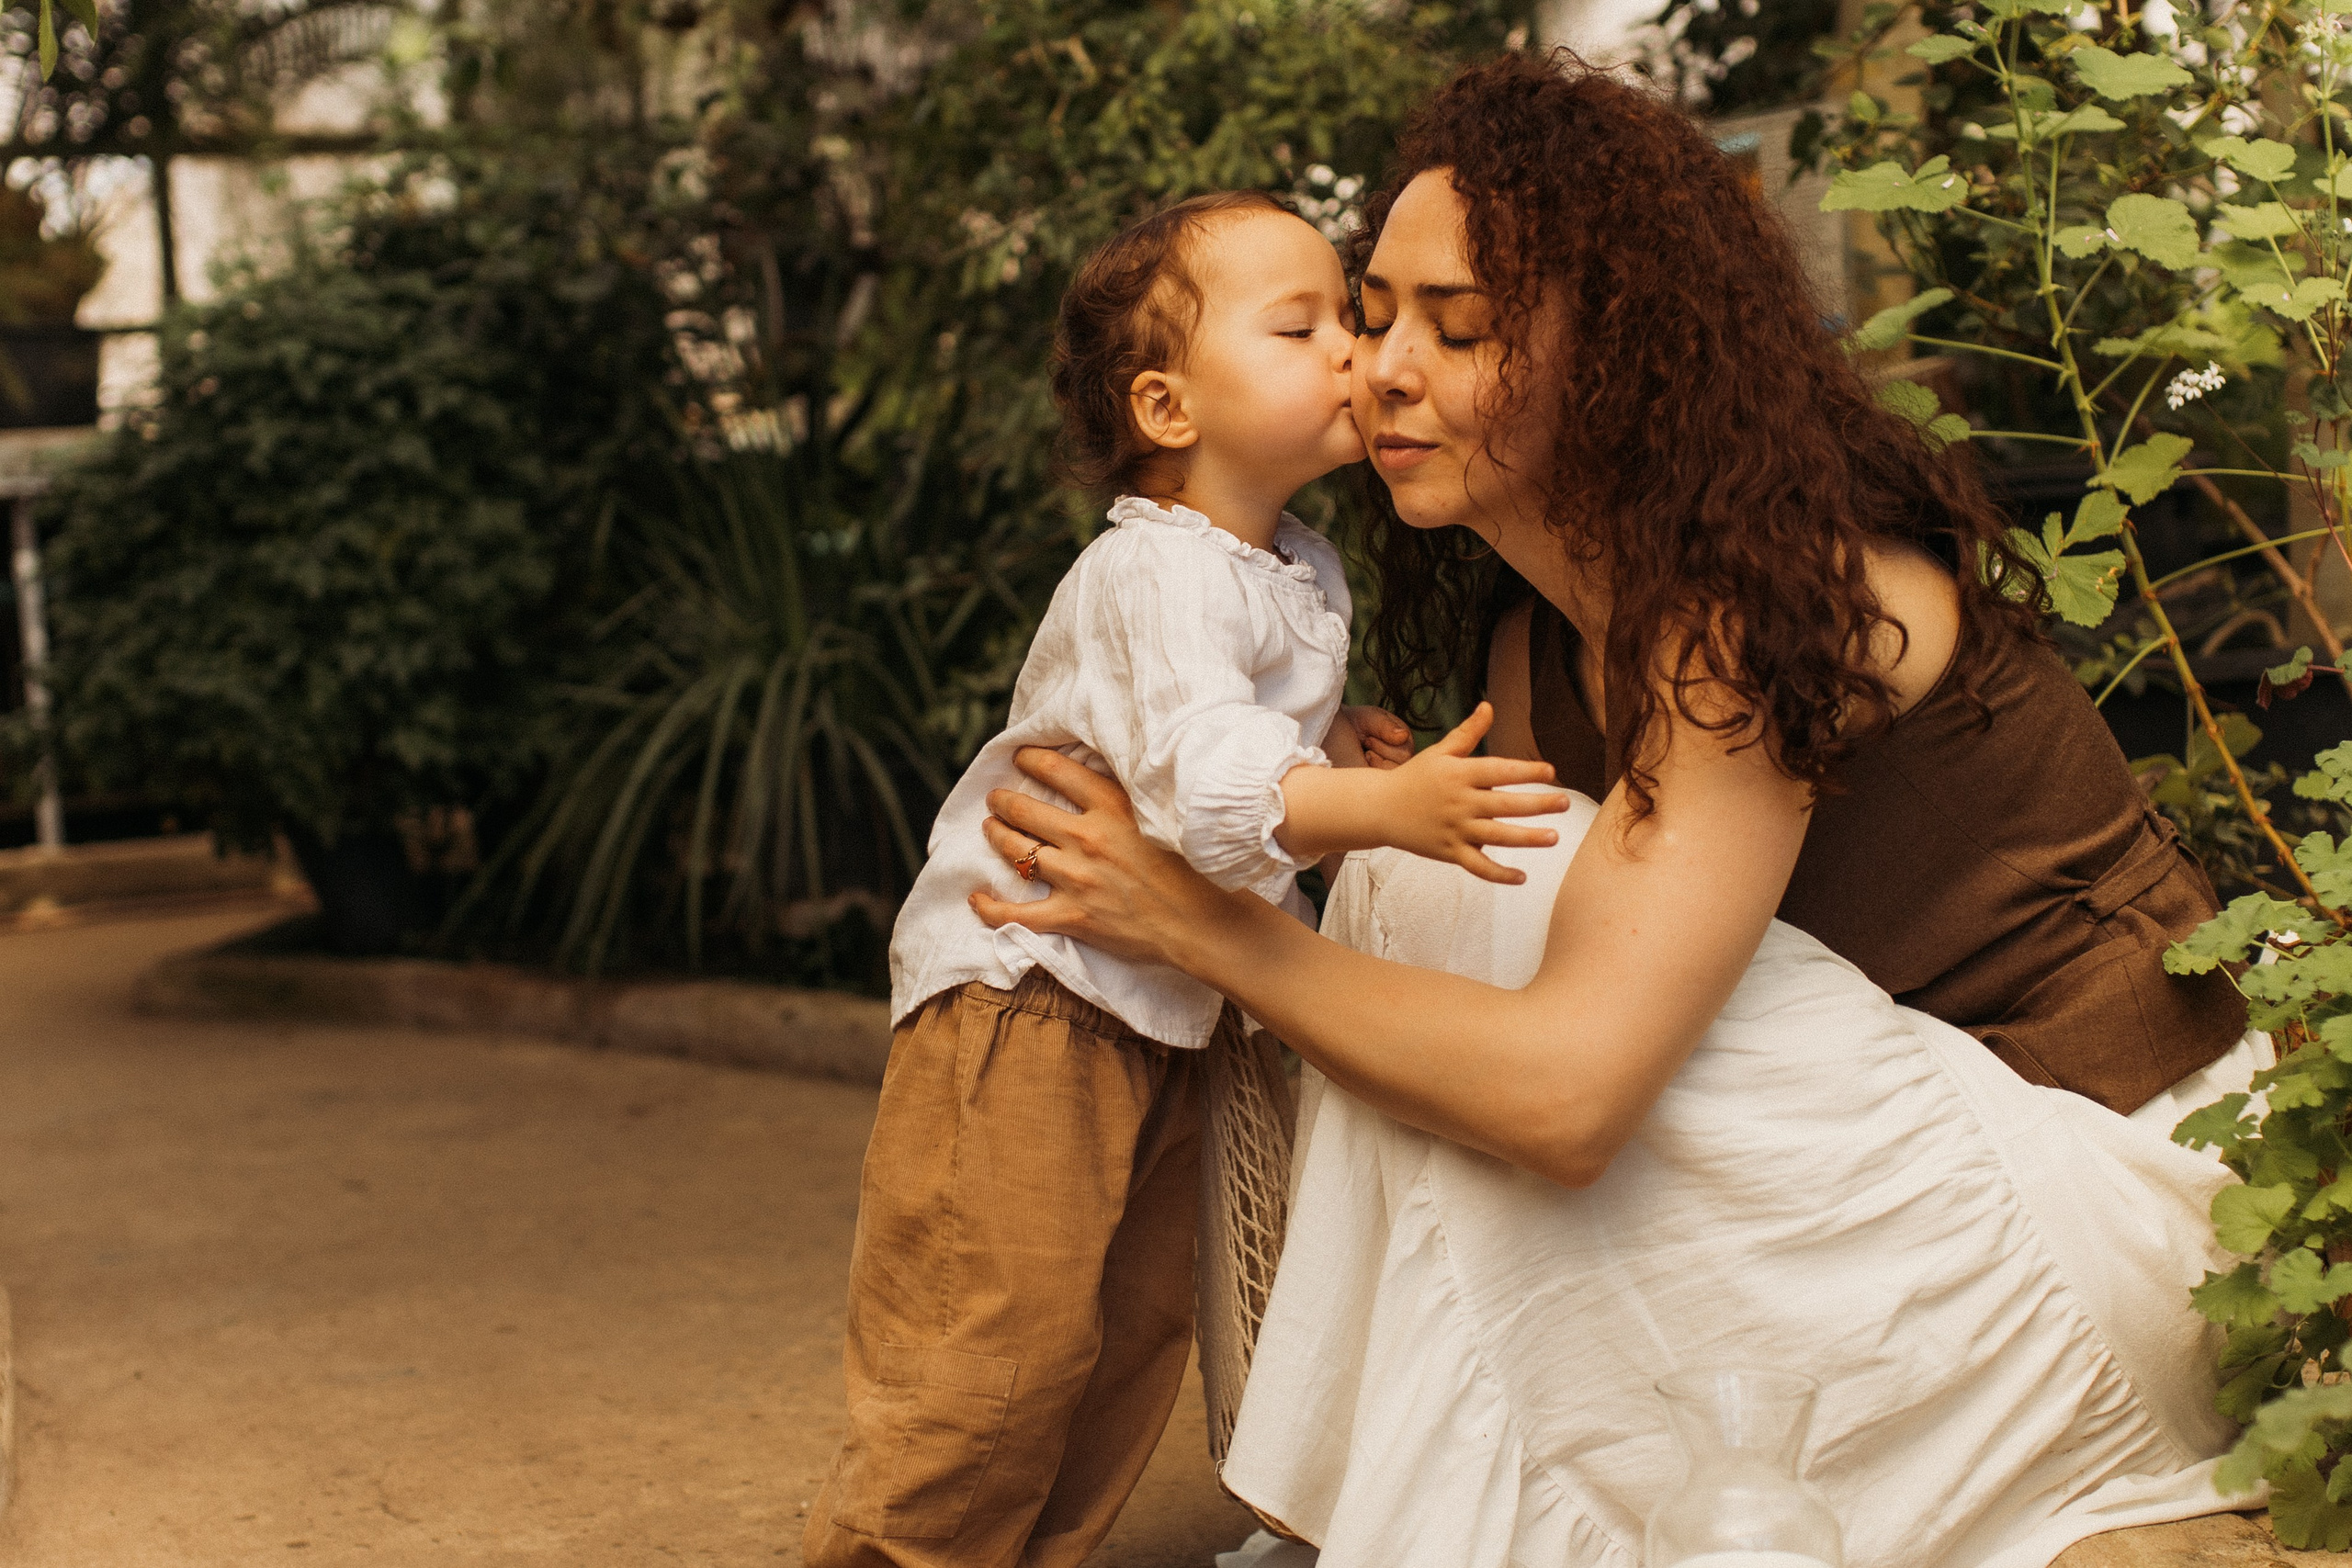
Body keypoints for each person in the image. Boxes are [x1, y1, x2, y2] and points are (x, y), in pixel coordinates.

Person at [967, 55, 2267, 1568]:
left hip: (2103, 1221)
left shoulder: (1751, 613)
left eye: (1456, 329)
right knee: (1429, 872)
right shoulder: (1538, 641)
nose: (1380, 366)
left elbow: (1571, 1099)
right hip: (1893, 1195)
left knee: (1461, 893)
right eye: (1374, 313)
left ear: (1623, 358)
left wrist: (1199, 924)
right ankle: (1454, 1498)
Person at [803, 187, 1566, 1568]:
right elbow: (1210, 794)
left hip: (1160, 1007)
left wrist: (1322, 743)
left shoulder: (1291, 567)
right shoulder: (1152, 577)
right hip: (1030, 993)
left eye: (1355, 313)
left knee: (1131, 1331)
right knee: (990, 1342)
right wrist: (1374, 803)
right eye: (1305, 325)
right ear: (1167, 409)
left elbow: (1216, 742)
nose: (1356, 350)